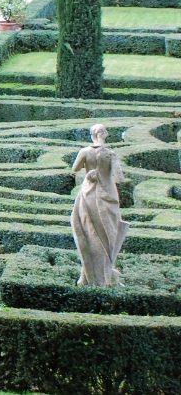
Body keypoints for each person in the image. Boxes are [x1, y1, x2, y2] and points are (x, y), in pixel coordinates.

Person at [70, 123, 129, 286]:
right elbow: (119, 178)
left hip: (88, 194)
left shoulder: (85, 152)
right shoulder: (110, 154)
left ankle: (90, 275)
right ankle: (104, 274)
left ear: (92, 135)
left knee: (89, 233)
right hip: (107, 197)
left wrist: (89, 172)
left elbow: (75, 168)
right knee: (108, 235)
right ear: (105, 134)